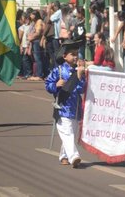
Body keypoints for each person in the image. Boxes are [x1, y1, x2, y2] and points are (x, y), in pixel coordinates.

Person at [45, 39, 85, 168]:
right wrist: (55, 85)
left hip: (76, 107)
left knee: (70, 134)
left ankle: (64, 156)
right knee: (67, 133)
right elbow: (48, 85)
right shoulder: (59, 71)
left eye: (76, 54)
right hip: (62, 108)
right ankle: (74, 156)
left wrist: (79, 77)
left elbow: (81, 89)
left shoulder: (79, 71)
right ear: (64, 56)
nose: (75, 56)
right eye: (72, 54)